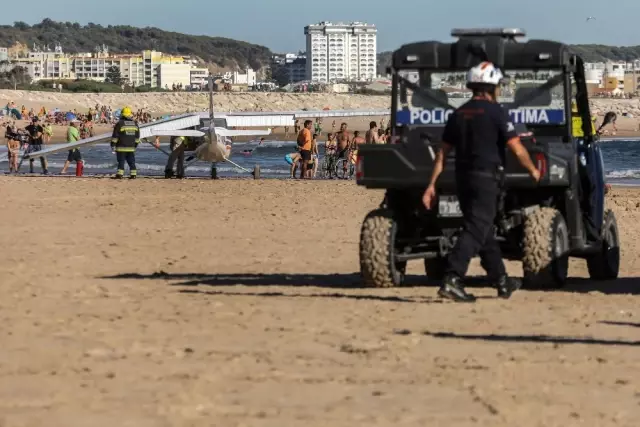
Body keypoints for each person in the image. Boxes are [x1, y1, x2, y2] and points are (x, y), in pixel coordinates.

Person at [422, 61, 541, 302]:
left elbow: (443, 154)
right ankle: (452, 278)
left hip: (462, 180)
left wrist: (431, 185)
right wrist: (533, 171)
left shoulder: (458, 114)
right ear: (491, 87)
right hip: (486, 179)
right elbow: (517, 149)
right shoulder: (497, 112)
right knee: (476, 229)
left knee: (483, 229)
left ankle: (501, 280)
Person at [111, 106, 140, 179]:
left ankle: (120, 174)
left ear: (122, 115)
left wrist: (113, 145)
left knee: (121, 161)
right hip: (131, 148)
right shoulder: (135, 124)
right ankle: (133, 174)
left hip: (121, 147)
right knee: (131, 162)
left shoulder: (120, 123)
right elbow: (137, 137)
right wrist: (135, 146)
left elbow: (115, 136)